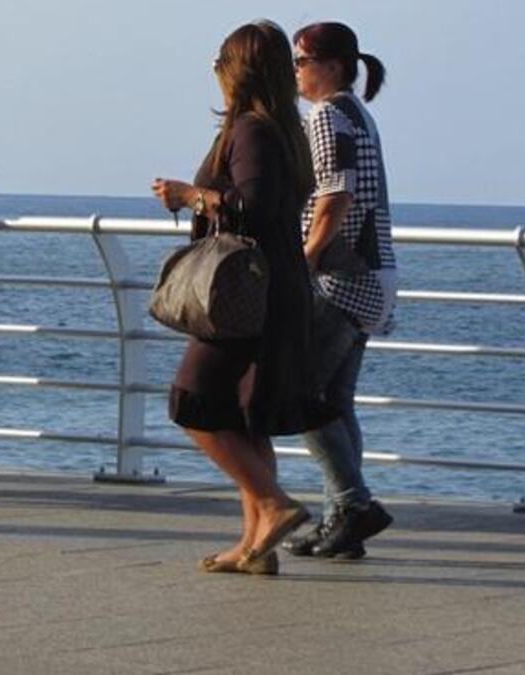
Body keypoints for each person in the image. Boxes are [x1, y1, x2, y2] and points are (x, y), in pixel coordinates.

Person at [151, 20, 333, 575]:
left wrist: (191, 195)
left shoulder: (252, 131)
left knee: (193, 400)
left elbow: (250, 207)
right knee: (246, 413)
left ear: (238, 70)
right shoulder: (280, 129)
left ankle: (274, 505)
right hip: (274, 288)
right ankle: (256, 543)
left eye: (218, 64)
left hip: (247, 292)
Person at [282, 22, 398, 558]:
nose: (294, 72)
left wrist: (304, 261)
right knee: (335, 400)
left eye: (299, 62)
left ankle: (353, 505)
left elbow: (334, 197)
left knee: (304, 394)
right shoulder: (357, 113)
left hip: (341, 277)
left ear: (329, 65)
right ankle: (341, 522)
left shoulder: (328, 115)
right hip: (373, 277)